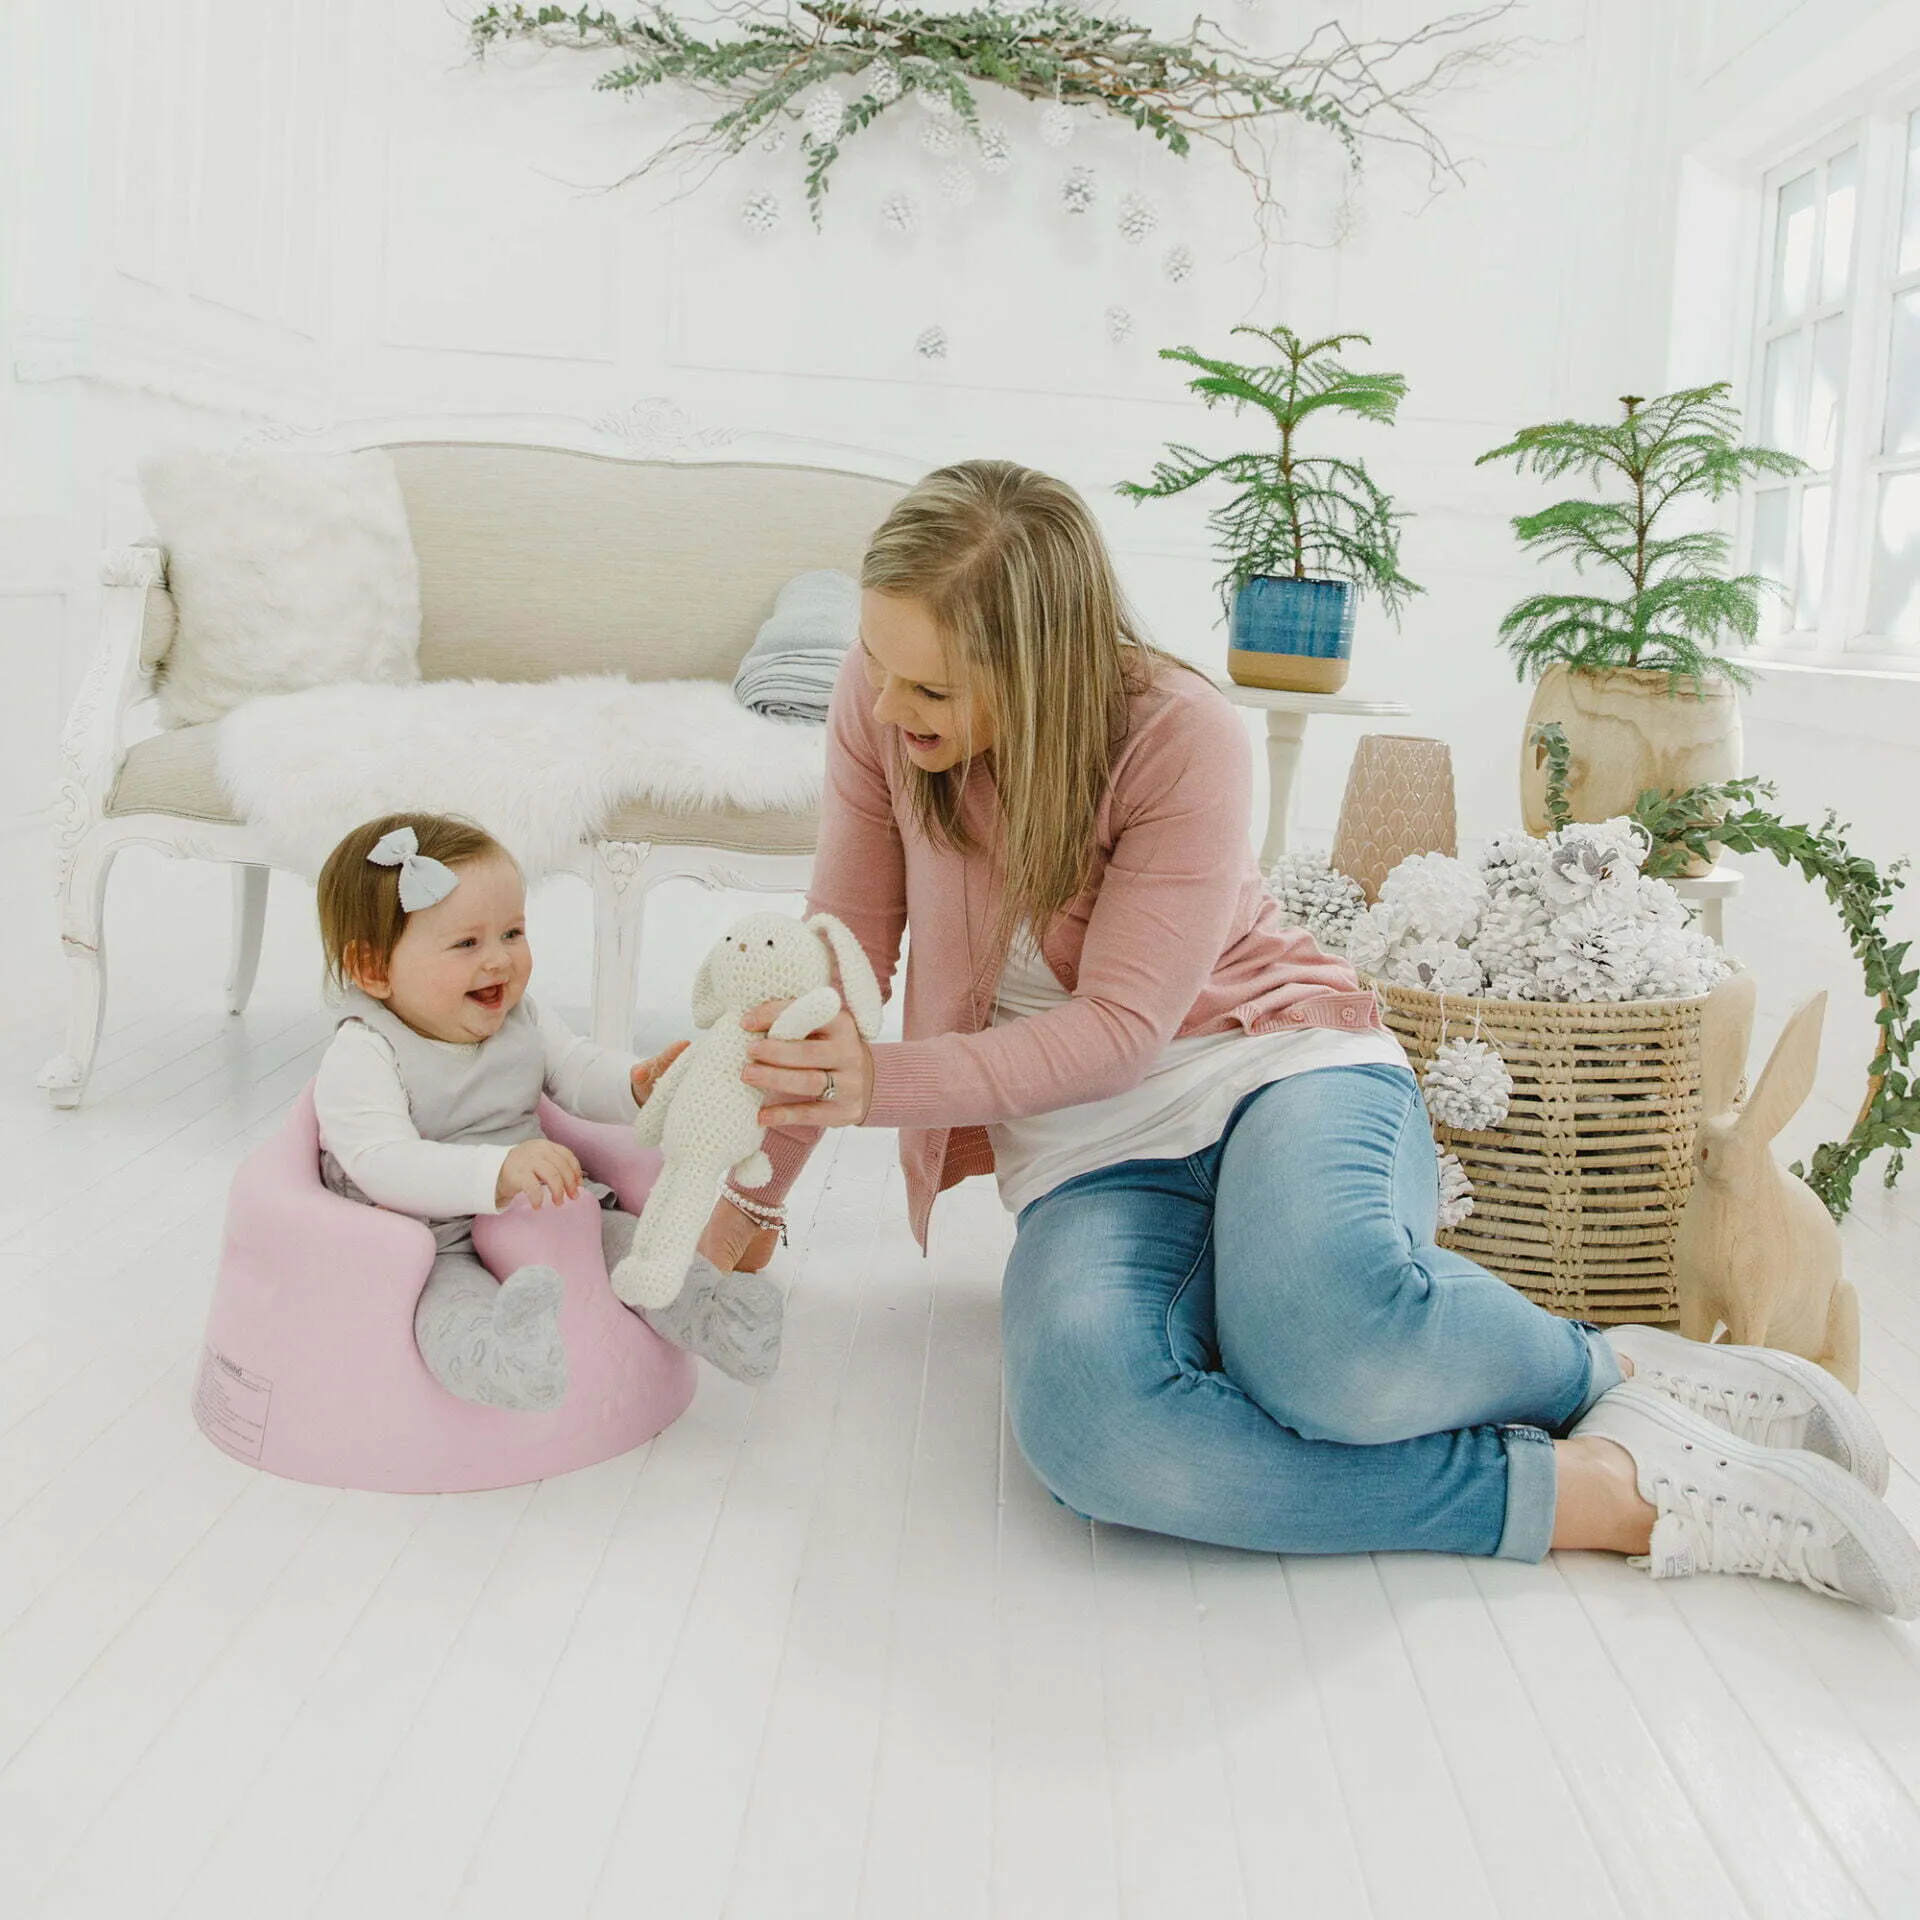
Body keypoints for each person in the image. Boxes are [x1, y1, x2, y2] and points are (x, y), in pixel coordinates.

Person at [695, 458, 1919, 1614]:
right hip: (1089, 1154)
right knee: (1093, 1432)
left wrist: (881, 1086)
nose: (887, 706)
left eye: (932, 688)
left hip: (1276, 1066)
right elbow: (835, 959)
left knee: (1329, 1345)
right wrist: (749, 1199)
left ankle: (1610, 1376)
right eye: (877, 666)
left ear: (1044, 666)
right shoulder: (879, 707)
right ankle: (1607, 1494)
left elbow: (1125, 1028)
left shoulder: (1181, 732)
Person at [312, 812, 782, 1411]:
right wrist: (497, 1173)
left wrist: (636, 1084)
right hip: (434, 1237)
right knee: (449, 1311)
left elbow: (575, 1071)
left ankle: (722, 1322)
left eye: (512, 933)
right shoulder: (365, 1050)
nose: (500, 961)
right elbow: (382, 1162)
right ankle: (507, 1361)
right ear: (374, 969)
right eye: (466, 943)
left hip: (548, 1203)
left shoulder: (521, 1017)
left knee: (642, 1251)